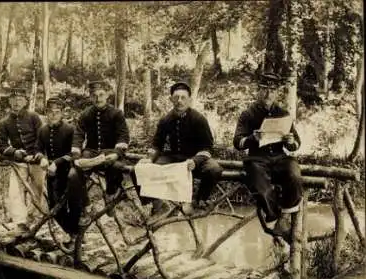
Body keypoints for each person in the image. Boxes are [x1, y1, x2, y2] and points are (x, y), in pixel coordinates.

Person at [233, 72, 303, 242]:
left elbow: (296, 145)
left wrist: (290, 140)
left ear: (277, 92)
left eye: (272, 90)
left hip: (280, 158)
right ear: (258, 90)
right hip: (258, 158)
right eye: (264, 89)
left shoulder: (283, 113)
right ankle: (273, 217)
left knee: (294, 173)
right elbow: (237, 142)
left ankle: (284, 218)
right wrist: (252, 139)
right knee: (259, 182)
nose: (268, 94)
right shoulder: (248, 114)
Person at [143, 82, 223, 215]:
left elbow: (208, 147)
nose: (179, 101)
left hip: (196, 158)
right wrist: (150, 158)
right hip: (174, 157)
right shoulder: (165, 120)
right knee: (148, 169)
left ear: (190, 100)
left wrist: (195, 161)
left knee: (214, 169)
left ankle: (199, 200)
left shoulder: (199, 119)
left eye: (183, 97)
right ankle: (157, 203)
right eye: (176, 97)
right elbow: (157, 144)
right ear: (171, 99)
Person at [68, 80, 130, 216]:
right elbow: (78, 135)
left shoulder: (116, 114)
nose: (98, 98)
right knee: (74, 174)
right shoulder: (86, 114)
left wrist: (117, 153)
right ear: (90, 97)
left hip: (110, 152)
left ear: (107, 95)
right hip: (91, 153)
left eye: (101, 95)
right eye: (94, 95)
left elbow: (123, 136)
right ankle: (86, 205)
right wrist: (77, 156)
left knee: (117, 167)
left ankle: (110, 196)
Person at [0, 88, 46, 225]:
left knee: (38, 188)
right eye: (13, 99)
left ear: (25, 101)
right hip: (19, 162)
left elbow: (42, 138)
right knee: (15, 191)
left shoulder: (34, 117)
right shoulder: (5, 122)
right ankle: (20, 222)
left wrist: (36, 154)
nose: (16, 102)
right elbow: (1, 146)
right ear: (9, 102)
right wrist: (14, 152)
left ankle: (35, 217)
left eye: (20, 99)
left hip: (36, 160)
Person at [35, 97, 79, 242]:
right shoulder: (43, 130)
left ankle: (76, 235)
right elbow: (38, 149)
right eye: (50, 112)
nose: (53, 115)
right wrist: (41, 158)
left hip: (70, 173)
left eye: (57, 112)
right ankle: (73, 233)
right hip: (52, 174)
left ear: (62, 113)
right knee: (54, 208)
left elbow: (74, 153)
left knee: (73, 205)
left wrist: (58, 162)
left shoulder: (70, 129)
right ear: (46, 113)